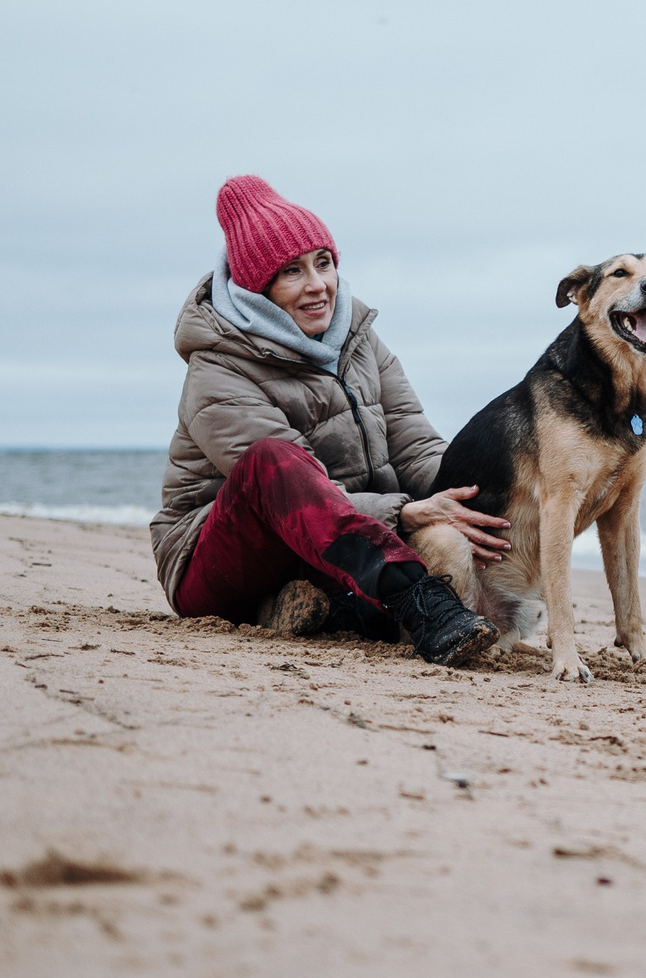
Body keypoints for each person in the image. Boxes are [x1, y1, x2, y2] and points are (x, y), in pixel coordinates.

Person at [147, 175, 507, 668]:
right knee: (272, 460)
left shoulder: (358, 340)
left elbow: (416, 447)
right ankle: (419, 602)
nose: (319, 285)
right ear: (258, 288)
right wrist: (405, 512)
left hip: (338, 548)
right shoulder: (219, 366)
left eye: (324, 263)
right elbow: (304, 493)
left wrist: (484, 499)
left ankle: (319, 612)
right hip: (216, 563)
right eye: (292, 271)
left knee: (479, 497)